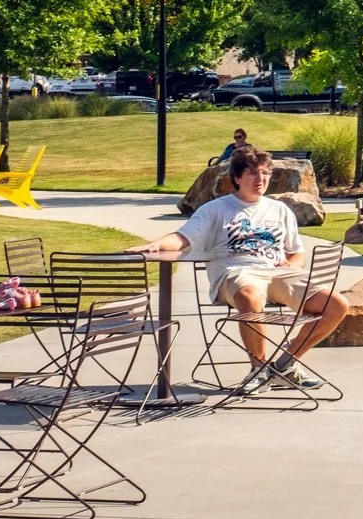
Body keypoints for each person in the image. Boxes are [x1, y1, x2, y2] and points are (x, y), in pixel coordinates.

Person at [129, 146, 346, 392]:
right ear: (237, 178)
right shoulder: (216, 209)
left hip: (277, 273)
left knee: (337, 304)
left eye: (265, 173)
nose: (261, 179)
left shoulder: (279, 210)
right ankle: (259, 369)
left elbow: (297, 253)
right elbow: (183, 237)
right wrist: (155, 245)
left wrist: (291, 263)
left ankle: (285, 365)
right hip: (235, 273)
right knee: (249, 296)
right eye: (253, 173)